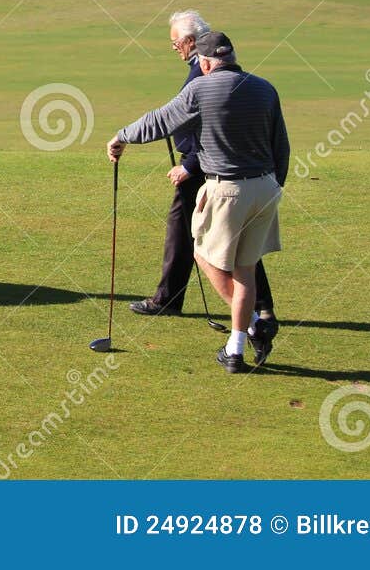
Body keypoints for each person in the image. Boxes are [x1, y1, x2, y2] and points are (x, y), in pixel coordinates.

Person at [108, 30, 289, 373]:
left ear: (205, 62)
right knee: (245, 270)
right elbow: (282, 145)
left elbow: (159, 121)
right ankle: (235, 349)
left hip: (227, 190)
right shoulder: (265, 88)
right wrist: (275, 186)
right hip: (265, 188)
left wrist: (122, 136)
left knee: (205, 258)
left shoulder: (200, 88)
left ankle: (252, 325)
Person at [130, 11, 276, 340]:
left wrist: (189, 165)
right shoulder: (203, 70)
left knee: (222, 241)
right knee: (193, 231)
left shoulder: (205, 73)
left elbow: (209, 126)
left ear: (192, 42)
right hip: (217, 169)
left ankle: (256, 316)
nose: (175, 49)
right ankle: (172, 297)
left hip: (209, 169)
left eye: (176, 43)